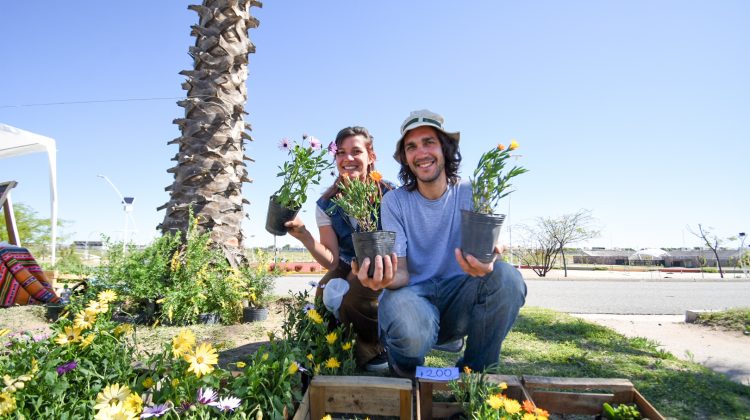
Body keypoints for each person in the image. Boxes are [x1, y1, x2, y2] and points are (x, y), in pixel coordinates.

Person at [351, 109, 527, 378]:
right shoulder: (395, 202)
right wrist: (381, 280)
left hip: (459, 297)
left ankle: (476, 374)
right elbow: (401, 272)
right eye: (411, 146)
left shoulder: (472, 191)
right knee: (405, 312)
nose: (421, 153)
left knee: (508, 279)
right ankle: (405, 371)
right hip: (414, 297)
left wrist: (492, 254)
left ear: (445, 149)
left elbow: (492, 243)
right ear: (406, 158)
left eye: (429, 142)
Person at [285, 126, 394, 372]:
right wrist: (305, 237)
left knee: (354, 294)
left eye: (356, 151)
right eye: (341, 152)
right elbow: (333, 261)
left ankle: (375, 349)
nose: (348, 159)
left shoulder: (390, 194)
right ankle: (333, 347)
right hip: (347, 260)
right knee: (323, 292)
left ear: (371, 156)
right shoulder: (327, 203)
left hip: (385, 262)